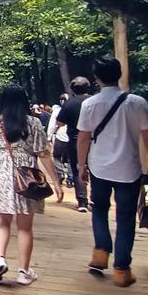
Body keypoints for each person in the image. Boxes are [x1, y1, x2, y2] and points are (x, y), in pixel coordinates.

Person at [76, 57, 148, 288]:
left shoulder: (89, 104)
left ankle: (100, 254)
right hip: (128, 169)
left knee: (99, 209)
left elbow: (83, 138)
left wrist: (82, 166)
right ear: (120, 74)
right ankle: (121, 270)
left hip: (99, 168)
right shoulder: (137, 103)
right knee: (125, 218)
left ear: (96, 78)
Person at [0, 85, 64, 286]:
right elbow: (43, 153)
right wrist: (56, 181)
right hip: (27, 173)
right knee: (25, 227)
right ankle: (24, 272)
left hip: (2, 170)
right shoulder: (33, 122)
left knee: (2, 220)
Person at [56, 77, 92, 212]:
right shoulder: (95, 101)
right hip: (95, 140)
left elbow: (60, 122)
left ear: (72, 89)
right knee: (96, 170)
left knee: (77, 169)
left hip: (75, 140)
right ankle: (96, 199)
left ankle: (82, 201)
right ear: (88, 87)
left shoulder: (69, 103)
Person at [47, 94, 72, 186]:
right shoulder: (73, 109)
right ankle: (71, 178)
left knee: (57, 156)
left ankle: (60, 173)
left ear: (61, 101)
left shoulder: (57, 111)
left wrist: (49, 136)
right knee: (71, 158)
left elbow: (53, 125)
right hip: (71, 137)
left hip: (60, 137)